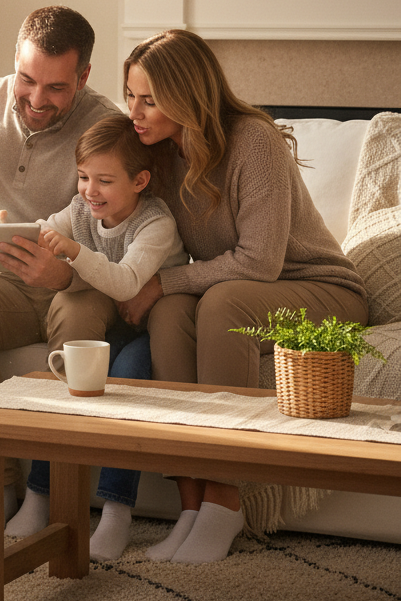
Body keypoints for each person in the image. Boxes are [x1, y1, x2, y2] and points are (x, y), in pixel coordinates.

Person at [120, 29, 368, 563]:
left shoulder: (253, 139)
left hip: (324, 289)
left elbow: (260, 262)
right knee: (169, 314)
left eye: (150, 100)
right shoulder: (159, 153)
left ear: (187, 96)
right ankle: (192, 504)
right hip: (243, 289)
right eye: (131, 96)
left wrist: (164, 282)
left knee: (220, 303)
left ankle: (225, 499)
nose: (135, 113)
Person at [0, 6, 122, 510]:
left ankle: (54, 496)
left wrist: (65, 274)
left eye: (56, 88)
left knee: (78, 320)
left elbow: (122, 241)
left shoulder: (108, 126)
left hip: (80, 285)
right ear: (15, 59)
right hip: (8, 285)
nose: (37, 100)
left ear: (83, 77)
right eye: (27, 79)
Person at [4, 114, 188, 560]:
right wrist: (23, 238)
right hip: (110, 324)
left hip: (153, 325)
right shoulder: (81, 209)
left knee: (127, 373)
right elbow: (46, 228)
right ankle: (40, 493)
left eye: (104, 181)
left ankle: (116, 511)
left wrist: (72, 251)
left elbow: (126, 283)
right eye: (84, 176)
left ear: (140, 181)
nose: (90, 191)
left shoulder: (155, 223)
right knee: (75, 374)